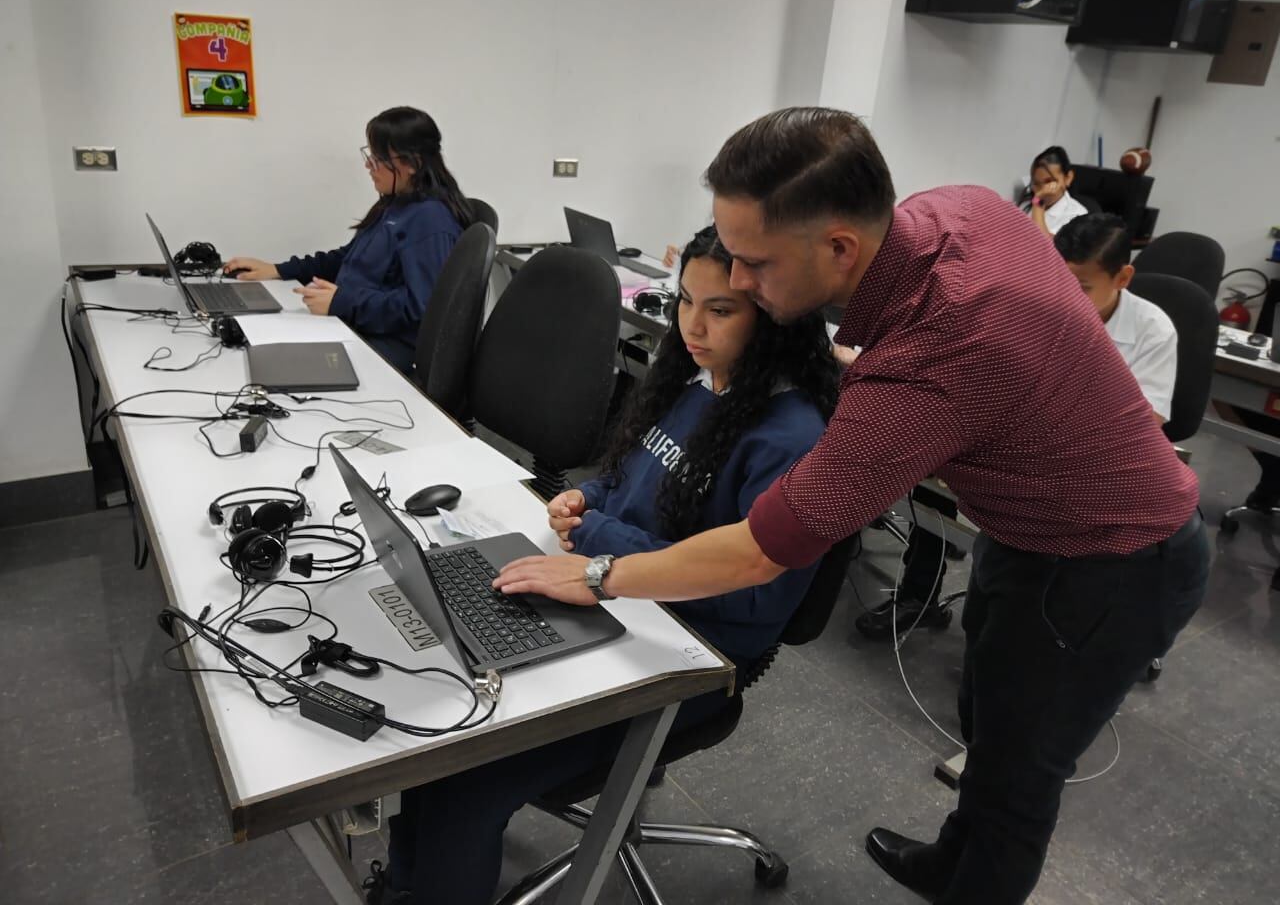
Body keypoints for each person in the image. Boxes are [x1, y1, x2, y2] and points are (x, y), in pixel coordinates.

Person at [494, 107, 1209, 905]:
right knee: (988, 714)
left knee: (1020, 774)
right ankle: (951, 860)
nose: (737, 283)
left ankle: (975, 883)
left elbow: (758, 551)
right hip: (1025, 523)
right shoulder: (957, 210)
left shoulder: (926, 366)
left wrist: (598, 573)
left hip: (1116, 555)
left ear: (839, 248)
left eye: (755, 264)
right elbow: (965, 348)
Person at [371, 225, 839, 905]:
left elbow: (755, 603)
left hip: (693, 653)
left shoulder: (792, 439)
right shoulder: (698, 382)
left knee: (467, 778)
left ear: (772, 317)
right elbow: (630, 476)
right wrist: (587, 497)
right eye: (685, 302)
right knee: (434, 740)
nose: (692, 327)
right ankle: (406, 889)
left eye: (720, 310)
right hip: (616, 599)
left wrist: (598, 532)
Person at [224, 106, 471, 373]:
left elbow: (421, 308)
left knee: (268, 364)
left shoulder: (430, 220)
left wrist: (342, 303)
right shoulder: (395, 205)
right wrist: (278, 270)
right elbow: (347, 258)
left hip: (384, 348)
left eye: (378, 159)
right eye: (370, 155)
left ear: (412, 163)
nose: (368, 166)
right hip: (352, 326)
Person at [1056, 213, 1178, 423]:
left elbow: (1147, 421)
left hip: (1096, 436)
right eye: (1057, 281)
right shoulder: (1039, 305)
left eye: (1082, 288)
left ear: (1122, 278)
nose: (1065, 297)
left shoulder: (1153, 329)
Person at [1025, 145, 1088, 238]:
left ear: (1068, 178)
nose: (1042, 190)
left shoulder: (1078, 215)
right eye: (1036, 183)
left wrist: (1038, 203)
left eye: (1049, 182)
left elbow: (1043, 243)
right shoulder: (1025, 202)